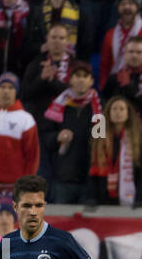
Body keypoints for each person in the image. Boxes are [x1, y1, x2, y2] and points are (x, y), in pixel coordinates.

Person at [40, 60, 100, 203]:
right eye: (77, 76)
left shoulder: (98, 107)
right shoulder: (58, 105)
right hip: (63, 178)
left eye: (85, 76)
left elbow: (100, 139)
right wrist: (57, 137)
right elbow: (45, 136)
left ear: (91, 81)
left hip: (89, 178)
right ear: (70, 80)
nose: (80, 79)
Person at [0, 73, 41, 202]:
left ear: (16, 91)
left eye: (11, 88)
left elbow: (32, 156)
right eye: (2, 87)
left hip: (13, 185)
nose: (6, 91)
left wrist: (26, 185)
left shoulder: (26, 119)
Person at [88, 96, 142, 207]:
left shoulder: (138, 137)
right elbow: (93, 169)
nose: (118, 112)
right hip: (102, 196)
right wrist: (92, 197)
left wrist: (140, 199)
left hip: (130, 196)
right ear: (108, 112)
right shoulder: (99, 135)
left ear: (128, 113)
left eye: (122, 109)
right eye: (114, 109)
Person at [102, 36, 142, 134]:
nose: (134, 56)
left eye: (139, 52)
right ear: (125, 54)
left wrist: (136, 95)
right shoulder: (114, 78)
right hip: (115, 134)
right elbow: (104, 107)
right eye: (131, 52)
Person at [23, 0, 79, 64]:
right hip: (41, 63)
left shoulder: (80, 14)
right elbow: (27, 46)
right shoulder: (36, 12)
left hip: (71, 67)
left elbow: (84, 47)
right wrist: (41, 47)